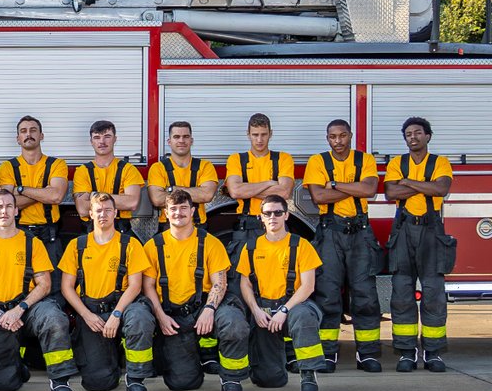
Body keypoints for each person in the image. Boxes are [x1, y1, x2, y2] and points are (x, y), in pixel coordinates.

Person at [0, 188, 78, 391]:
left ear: (17, 210)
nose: (4, 211)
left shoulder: (31, 243)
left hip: (28, 308)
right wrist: (1, 315)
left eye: (9, 206)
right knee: (2, 386)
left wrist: (19, 310)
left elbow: (44, 284)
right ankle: (18, 368)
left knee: (54, 318)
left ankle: (60, 380)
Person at [141, 190, 249, 391]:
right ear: (165, 213)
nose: (178, 213)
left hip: (205, 307)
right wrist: (161, 316)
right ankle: (196, 359)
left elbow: (220, 282)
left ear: (192, 211)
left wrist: (210, 308)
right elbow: (148, 287)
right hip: (172, 315)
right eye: (173, 209)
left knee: (233, 322)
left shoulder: (210, 243)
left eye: (183, 208)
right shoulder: (153, 246)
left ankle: (231, 378)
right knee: (182, 383)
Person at [301, 119, 383, 372]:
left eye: (342, 136)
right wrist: (353, 189)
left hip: (360, 234)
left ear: (350, 136)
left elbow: (370, 190)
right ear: (327, 138)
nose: (338, 141)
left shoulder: (365, 160)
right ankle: (327, 355)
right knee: (327, 295)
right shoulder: (318, 161)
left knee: (365, 296)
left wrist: (335, 185)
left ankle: (367, 355)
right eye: (332, 137)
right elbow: (319, 196)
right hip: (330, 233)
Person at [59, 192, 153, 391]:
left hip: (123, 308)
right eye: (98, 211)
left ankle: (135, 378)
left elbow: (136, 286)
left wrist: (117, 315)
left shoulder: (130, 244)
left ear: (116, 213)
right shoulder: (77, 245)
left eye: (108, 210)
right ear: (90, 214)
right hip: (91, 313)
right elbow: (66, 287)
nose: (103, 215)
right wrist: (86, 315)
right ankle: (112, 359)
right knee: (98, 383)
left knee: (140, 316)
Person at [237, 195, 327, 391]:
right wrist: (256, 311)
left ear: (286, 215)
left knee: (304, 317)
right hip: (265, 312)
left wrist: (285, 310)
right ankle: (276, 365)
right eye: (267, 213)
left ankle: (308, 374)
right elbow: (245, 283)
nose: (272, 217)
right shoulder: (251, 247)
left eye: (278, 212)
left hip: (295, 306)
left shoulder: (301, 245)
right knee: (269, 380)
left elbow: (308, 286)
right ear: (260, 217)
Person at [384, 116, 454, 373]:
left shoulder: (440, 162)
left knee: (433, 293)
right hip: (403, 230)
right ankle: (406, 353)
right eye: (408, 134)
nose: (412, 137)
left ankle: (433, 353)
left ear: (428, 136)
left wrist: (408, 183)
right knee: (402, 293)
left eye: (417, 133)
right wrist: (424, 186)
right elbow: (391, 193)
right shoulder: (396, 163)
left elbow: (441, 189)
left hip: (431, 231)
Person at [224, 113, 294, 277]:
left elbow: (284, 192)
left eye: (264, 134)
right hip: (246, 224)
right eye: (255, 135)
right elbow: (235, 191)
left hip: (275, 223)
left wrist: (248, 189)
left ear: (271, 133)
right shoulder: (237, 159)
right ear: (248, 134)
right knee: (240, 276)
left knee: (277, 274)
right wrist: (270, 183)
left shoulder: (283, 158)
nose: (259, 140)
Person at [0, 115, 68, 267]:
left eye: (33, 130)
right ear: (18, 138)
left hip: (50, 237)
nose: (28, 134)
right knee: (20, 286)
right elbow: (6, 204)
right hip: (18, 234)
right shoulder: (8, 167)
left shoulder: (57, 164)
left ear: (41, 136)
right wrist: (44, 194)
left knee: (54, 287)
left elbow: (56, 197)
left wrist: (21, 190)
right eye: (24, 131)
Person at [72, 120, 144, 236]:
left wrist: (93, 196)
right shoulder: (82, 171)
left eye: (107, 136)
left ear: (115, 139)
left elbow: (132, 203)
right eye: (97, 137)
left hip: (121, 231)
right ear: (91, 141)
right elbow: (82, 209)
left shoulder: (128, 169)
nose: (102, 141)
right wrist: (120, 200)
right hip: (91, 231)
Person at [146, 121, 220, 229]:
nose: (181, 140)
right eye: (176, 137)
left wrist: (172, 190)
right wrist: (195, 192)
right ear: (169, 141)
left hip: (197, 227)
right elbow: (157, 199)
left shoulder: (205, 166)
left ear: (191, 141)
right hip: (168, 228)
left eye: (186, 137)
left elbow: (207, 195)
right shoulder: (158, 168)